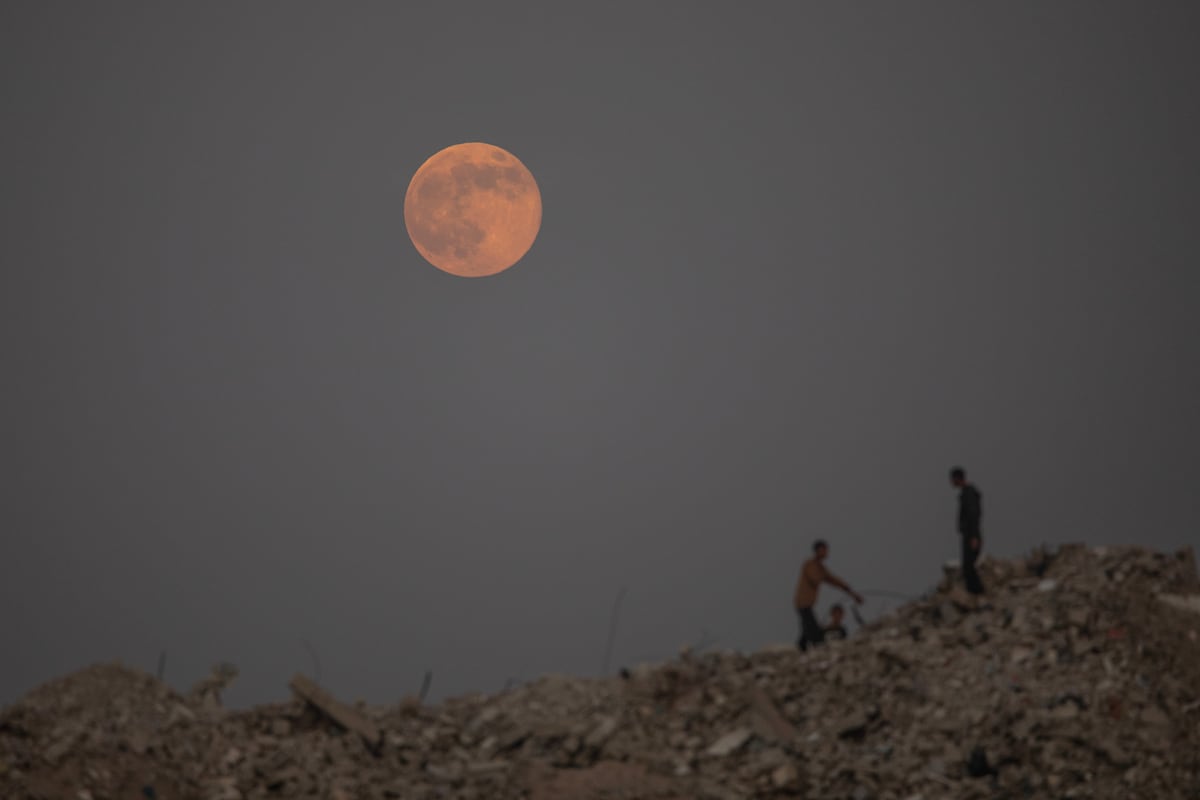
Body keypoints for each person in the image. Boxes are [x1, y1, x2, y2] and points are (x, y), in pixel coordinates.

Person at [794, 539, 864, 651]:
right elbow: (815, 578)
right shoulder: (810, 564)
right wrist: (823, 577)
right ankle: (808, 650)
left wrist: (852, 593)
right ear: (817, 551)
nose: (826, 553)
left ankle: (801, 649)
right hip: (803, 604)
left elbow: (835, 581)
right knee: (813, 631)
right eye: (824, 550)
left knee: (807, 629)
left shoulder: (821, 568)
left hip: (807, 604)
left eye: (826, 550)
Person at [950, 466, 985, 598]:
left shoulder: (968, 493)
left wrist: (974, 537)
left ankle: (978, 593)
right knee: (967, 566)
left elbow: (973, 515)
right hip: (969, 535)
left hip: (971, 535)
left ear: (957, 478)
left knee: (968, 567)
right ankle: (974, 594)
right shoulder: (966, 493)